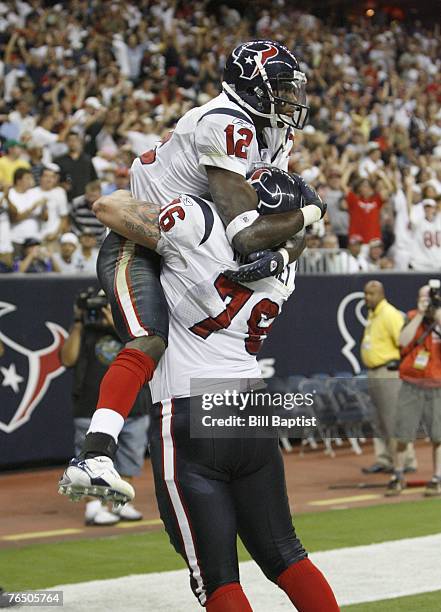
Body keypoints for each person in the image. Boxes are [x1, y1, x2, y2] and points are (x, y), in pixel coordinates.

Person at [61, 167, 338, 611]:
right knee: (287, 555)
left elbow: (109, 207)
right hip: (251, 407)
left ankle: (96, 449)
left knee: (216, 580)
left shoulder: (203, 224)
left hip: (190, 409)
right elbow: (268, 243)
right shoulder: (285, 270)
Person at [58, 40, 326, 477]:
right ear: (253, 85)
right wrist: (312, 211)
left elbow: (285, 226)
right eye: (281, 86)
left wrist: (282, 250)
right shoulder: (227, 122)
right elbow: (247, 230)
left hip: (196, 240)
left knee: (198, 350)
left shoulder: (276, 130)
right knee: (149, 337)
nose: (291, 98)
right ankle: (94, 454)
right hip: (142, 235)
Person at [60, 291, 148, 524]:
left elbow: (144, 352)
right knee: (90, 458)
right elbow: (67, 359)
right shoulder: (85, 331)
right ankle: (94, 507)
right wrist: (78, 322)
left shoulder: (133, 332)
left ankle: (120, 503)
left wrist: (117, 325)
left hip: (134, 406)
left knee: (130, 456)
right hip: (90, 406)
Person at [386, 284, 441, 496]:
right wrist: (419, 315)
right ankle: (397, 475)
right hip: (411, 383)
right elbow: (402, 341)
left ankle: (437, 477)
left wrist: (436, 314)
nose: (427, 301)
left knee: (438, 436)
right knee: (402, 433)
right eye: (423, 297)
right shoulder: (410, 317)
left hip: (436, 384)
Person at [361, 281, 417, 474]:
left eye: (371, 294)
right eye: (366, 294)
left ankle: (404, 461)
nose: (367, 297)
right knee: (379, 421)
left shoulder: (390, 314)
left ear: (381, 294)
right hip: (374, 372)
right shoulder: (373, 314)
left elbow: (406, 343)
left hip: (389, 372)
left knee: (393, 419)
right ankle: (385, 459)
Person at [6, 168, 48, 250]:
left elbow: (45, 218)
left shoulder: (36, 193)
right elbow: (14, 219)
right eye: (28, 178)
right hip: (16, 239)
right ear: (19, 181)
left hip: (34, 239)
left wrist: (44, 208)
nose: (31, 181)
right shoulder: (10, 195)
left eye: (31, 178)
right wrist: (33, 208)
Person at [31, 166, 69, 248]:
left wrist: (56, 234)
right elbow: (43, 217)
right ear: (40, 178)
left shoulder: (60, 192)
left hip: (54, 236)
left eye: (52, 177)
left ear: (55, 179)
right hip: (35, 237)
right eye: (46, 176)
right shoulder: (32, 192)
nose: (49, 179)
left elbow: (64, 217)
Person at [54, 132, 98, 202]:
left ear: (79, 142)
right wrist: (61, 185)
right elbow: (54, 180)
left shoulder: (87, 159)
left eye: (75, 140)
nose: (72, 143)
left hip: (85, 198)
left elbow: (94, 179)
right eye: (70, 140)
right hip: (67, 198)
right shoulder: (59, 161)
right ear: (66, 142)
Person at [408, 199, 441, 271]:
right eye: (426, 207)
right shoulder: (418, 223)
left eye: (431, 207)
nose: (429, 209)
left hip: (438, 262)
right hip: (421, 263)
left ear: (435, 209)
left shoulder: (439, 221)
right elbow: (410, 215)